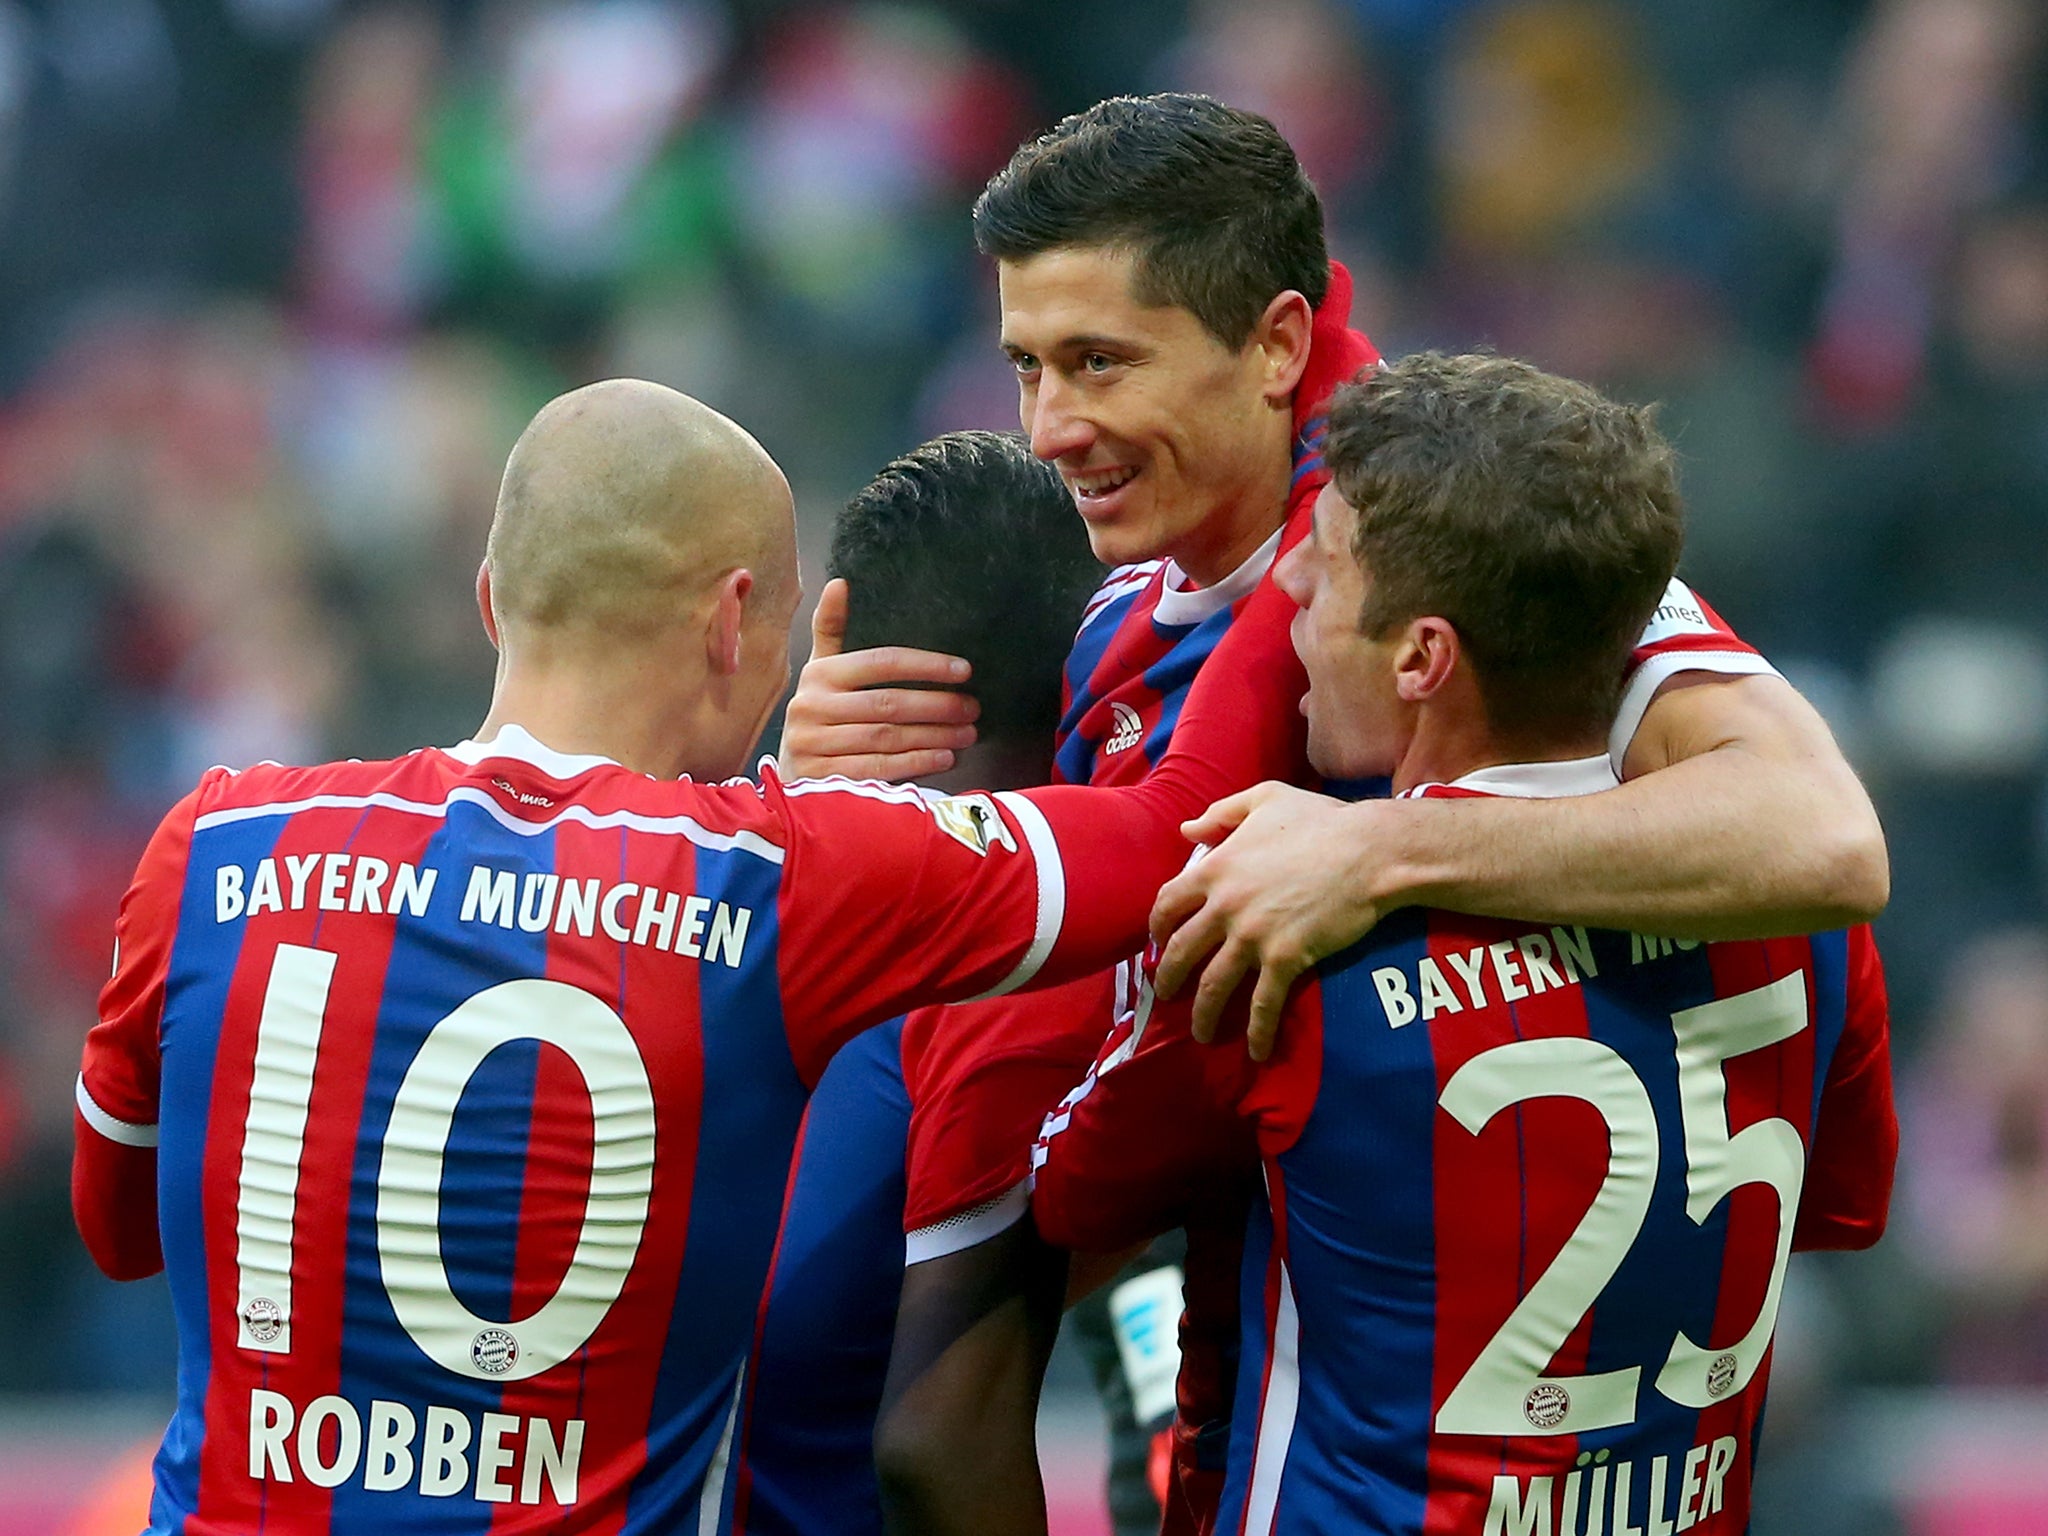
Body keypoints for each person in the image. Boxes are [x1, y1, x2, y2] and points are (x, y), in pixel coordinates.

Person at [777, 93, 1888, 1533]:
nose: (1049, 428)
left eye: (1098, 362)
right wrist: (827, 816)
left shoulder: (1473, 540)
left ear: (1279, 346)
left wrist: (1381, 842)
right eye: (1025, 368)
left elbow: (1828, 839)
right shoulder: (1120, 627)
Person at [67, 382, 1258, 1536]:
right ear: (733, 622)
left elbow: (117, 1231)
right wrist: (1290, 565)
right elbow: (1172, 830)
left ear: (491, 600)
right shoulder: (782, 884)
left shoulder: (214, 840)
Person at [1032, 352, 1897, 1535]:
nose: (1285, 592)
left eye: (1324, 566)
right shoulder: (1800, 926)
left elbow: (1048, 1223)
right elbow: (1835, 1213)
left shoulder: (1285, 948)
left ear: (1420, 657)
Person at [731, 429, 1106, 1535]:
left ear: (832, 627)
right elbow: (939, 1447)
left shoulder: (667, 902)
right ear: (1090, 661)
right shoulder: (1042, 979)